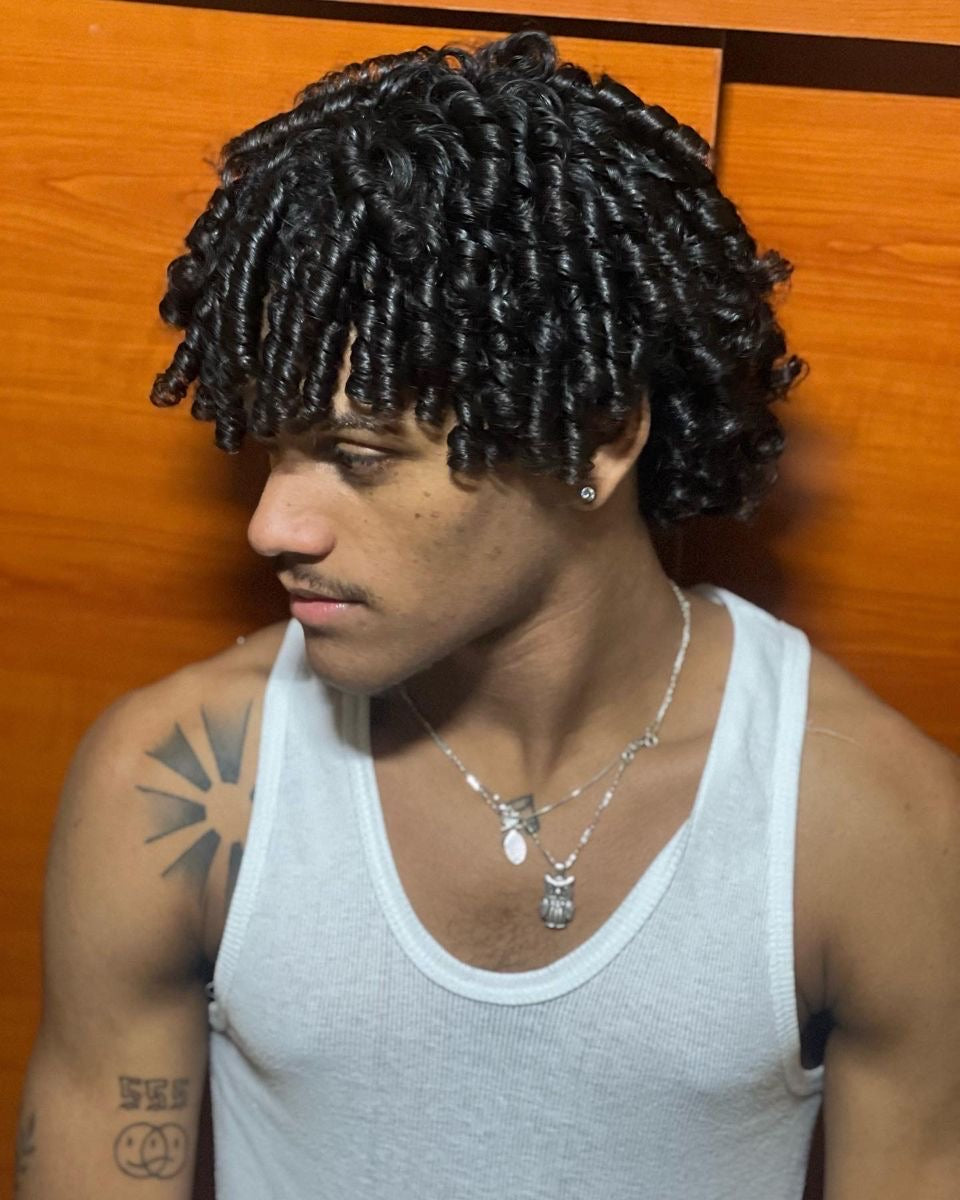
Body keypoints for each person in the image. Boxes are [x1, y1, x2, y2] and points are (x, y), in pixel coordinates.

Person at [13, 29, 959, 1200]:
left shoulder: (872, 826)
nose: (270, 525)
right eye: (271, 451)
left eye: (358, 457)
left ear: (599, 437)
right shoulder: (175, 787)